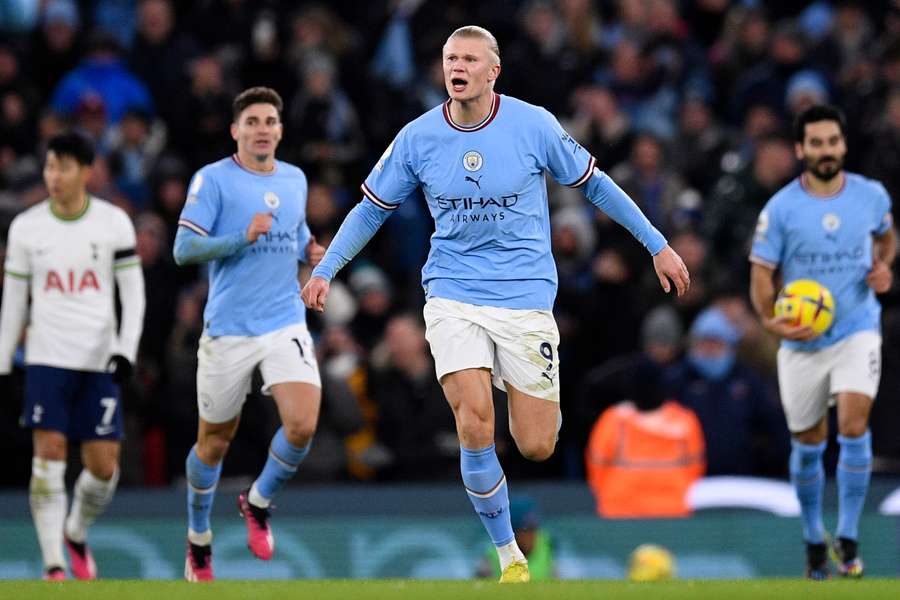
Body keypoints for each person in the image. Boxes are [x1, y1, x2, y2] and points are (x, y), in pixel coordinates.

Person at [301, 25, 689, 583]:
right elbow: (371, 209)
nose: (456, 66)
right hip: (453, 294)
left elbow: (596, 185)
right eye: (449, 57)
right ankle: (509, 556)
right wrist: (325, 269)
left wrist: (657, 244)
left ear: (493, 71)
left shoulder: (533, 125)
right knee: (474, 421)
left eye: (468, 58)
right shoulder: (417, 137)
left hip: (525, 298)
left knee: (535, 444)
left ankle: (512, 377)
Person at [173, 86, 326, 582]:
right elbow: (182, 250)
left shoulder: (295, 179)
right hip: (229, 328)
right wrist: (241, 237)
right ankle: (199, 538)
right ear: (235, 130)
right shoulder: (213, 180)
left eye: (269, 121)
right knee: (214, 442)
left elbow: (295, 231)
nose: (262, 129)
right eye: (252, 121)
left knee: (302, 425)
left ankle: (258, 501)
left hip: (283, 320)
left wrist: (311, 252)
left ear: (280, 130)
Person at [749, 104, 896, 579]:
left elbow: (888, 237)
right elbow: (762, 274)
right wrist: (772, 324)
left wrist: (883, 266)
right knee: (809, 442)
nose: (826, 151)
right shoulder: (782, 209)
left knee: (853, 424)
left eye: (832, 142)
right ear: (800, 149)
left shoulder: (871, 196)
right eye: (816, 143)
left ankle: (848, 534)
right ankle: (814, 535)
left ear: (843, 145)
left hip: (857, 329)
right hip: (803, 342)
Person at [0, 132, 145, 580]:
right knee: (49, 452)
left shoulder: (114, 223)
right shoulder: (26, 228)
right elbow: (15, 299)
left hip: (99, 358)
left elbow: (133, 294)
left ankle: (76, 531)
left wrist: (125, 350)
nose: (53, 177)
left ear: (86, 171)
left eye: (62, 167)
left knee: (103, 467)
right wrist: (4, 361)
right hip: (46, 357)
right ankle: (54, 565)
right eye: (49, 167)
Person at [585, 361, 705, 518]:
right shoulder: (684, 420)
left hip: (620, 511)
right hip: (671, 510)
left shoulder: (614, 418)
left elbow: (596, 467)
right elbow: (696, 467)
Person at [476, 496, 556, 581]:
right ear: (512, 533)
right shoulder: (492, 557)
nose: (532, 536)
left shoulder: (545, 546)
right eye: (526, 530)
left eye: (534, 529)